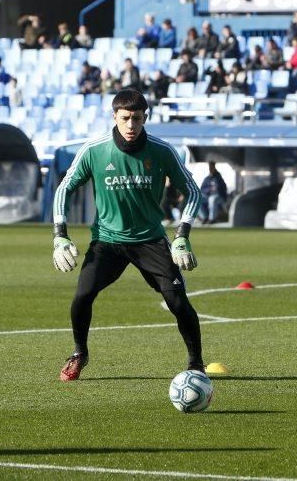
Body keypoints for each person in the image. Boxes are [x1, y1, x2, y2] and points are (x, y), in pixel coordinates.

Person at [52, 89, 204, 381]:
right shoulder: (94, 150)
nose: (131, 125)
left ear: (145, 117)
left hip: (151, 241)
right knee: (83, 294)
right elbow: (64, 189)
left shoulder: (162, 151)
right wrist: (60, 235)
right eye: (125, 118)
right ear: (114, 117)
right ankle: (79, 353)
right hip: (107, 242)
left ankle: (196, 362)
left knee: (178, 302)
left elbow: (193, 191)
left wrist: (182, 235)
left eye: (137, 118)